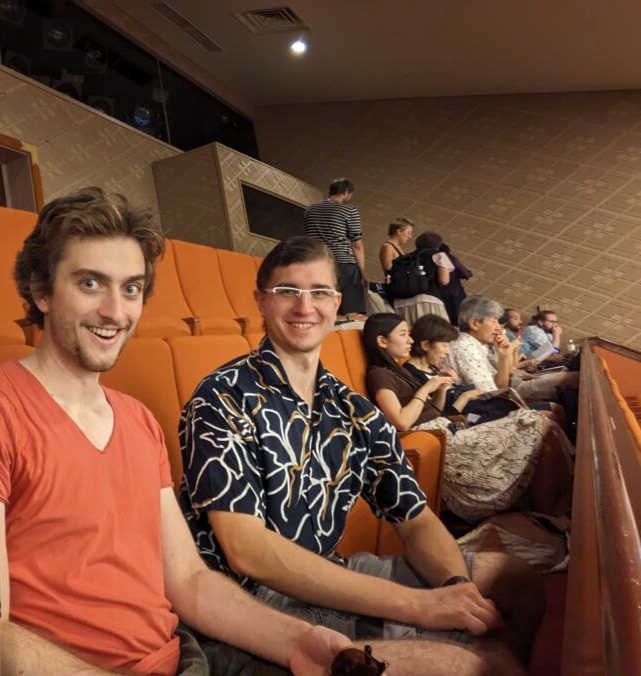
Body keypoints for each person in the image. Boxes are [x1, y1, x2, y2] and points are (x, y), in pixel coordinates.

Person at [0, 188, 355, 675]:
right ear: (41, 291)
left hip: (182, 656)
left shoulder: (138, 419)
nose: (116, 312)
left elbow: (189, 581)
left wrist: (295, 641)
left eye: (131, 289)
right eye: (91, 283)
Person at [180, 236, 543, 675]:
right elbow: (247, 551)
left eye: (318, 292)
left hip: (325, 570)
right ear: (262, 302)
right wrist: (419, 606)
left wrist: (457, 589)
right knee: (475, 666)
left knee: (517, 580)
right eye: (288, 291)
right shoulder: (222, 396)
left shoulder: (351, 409)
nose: (304, 306)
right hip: (249, 599)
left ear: (336, 303)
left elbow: (416, 519)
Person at [363, 313, 572, 522]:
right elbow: (401, 422)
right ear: (382, 341)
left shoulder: (399, 371)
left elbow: (434, 410)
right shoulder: (379, 374)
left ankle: (559, 508)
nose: (410, 340)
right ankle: (563, 506)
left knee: (544, 440)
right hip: (441, 438)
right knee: (539, 421)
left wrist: (441, 387)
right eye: (403, 334)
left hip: (446, 427)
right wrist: (427, 387)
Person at [447, 296, 578, 403]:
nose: (498, 328)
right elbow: (491, 395)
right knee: (568, 384)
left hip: (500, 396)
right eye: (494, 321)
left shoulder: (478, 345)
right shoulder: (464, 347)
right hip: (482, 408)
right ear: (474, 323)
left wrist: (504, 355)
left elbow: (500, 386)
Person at [304, 178, 366, 320]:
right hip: (343, 262)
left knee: (323, 302)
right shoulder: (349, 210)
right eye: (350, 195)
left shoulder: (309, 210)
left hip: (317, 261)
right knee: (351, 313)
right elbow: (357, 244)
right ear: (345, 193)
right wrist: (362, 272)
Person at [390, 231, 451, 324]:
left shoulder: (405, 258)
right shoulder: (439, 255)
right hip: (427, 301)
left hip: (401, 303)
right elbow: (444, 280)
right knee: (435, 331)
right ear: (437, 245)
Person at [437, 242, 472, 325]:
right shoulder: (451, 259)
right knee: (461, 318)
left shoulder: (427, 261)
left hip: (438, 296)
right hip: (455, 294)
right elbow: (465, 273)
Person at [378, 217, 414, 282]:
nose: (410, 236)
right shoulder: (388, 247)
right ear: (399, 231)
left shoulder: (397, 247)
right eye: (408, 233)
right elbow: (389, 272)